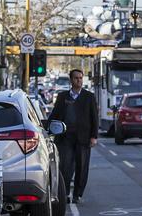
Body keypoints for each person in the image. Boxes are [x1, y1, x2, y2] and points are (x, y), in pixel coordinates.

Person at [49, 69, 99, 204]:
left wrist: (94, 136)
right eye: (76, 78)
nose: (79, 80)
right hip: (65, 138)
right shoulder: (62, 97)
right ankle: (64, 193)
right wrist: (49, 129)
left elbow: (94, 117)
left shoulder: (89, 97)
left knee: (82, 167)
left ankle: (78, 194)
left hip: (83, 138)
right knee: (65, 167)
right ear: (71, 80)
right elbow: (55, 116)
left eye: (81, 78)